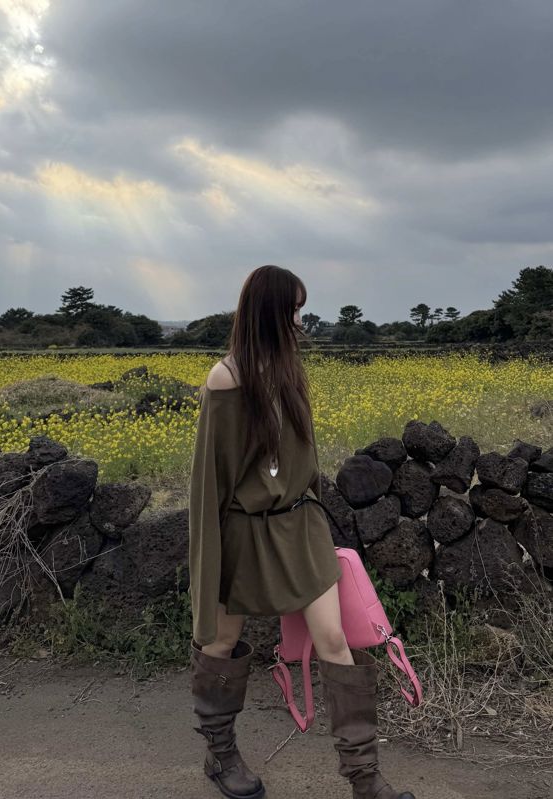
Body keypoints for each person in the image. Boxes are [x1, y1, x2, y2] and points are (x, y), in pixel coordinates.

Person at [188, 265, 415, 799]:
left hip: (301, 526)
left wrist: (309, 508)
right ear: (267, 311)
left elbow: (302, 457)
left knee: (334, 641)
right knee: (222, 641)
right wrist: (210, 563)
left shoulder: (289, 371)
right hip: (245, 533)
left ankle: (364, 778)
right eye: (292, 310)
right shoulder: (226, 379)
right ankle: (221, 755)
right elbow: (210, 482)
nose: (299, 321)